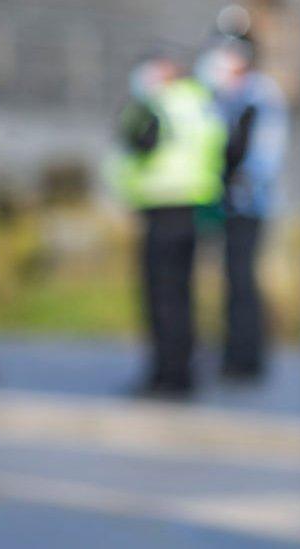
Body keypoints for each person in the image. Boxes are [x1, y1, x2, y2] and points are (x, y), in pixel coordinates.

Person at [112, 51, 227, 398]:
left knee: (161, 298)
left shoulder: (160, 102)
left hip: (162, 207)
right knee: (181, 295)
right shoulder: (202, 103)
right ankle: (183, 371)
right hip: (193, 207)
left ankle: (165, 375)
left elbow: (140, 141)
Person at [197, 12, 288, 382]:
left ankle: (246, 358)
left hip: (250, 202)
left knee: (243, 278)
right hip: (226, 201)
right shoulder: (222, 94)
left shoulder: (260, 93)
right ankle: (233, 353)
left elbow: (264, 154)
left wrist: (241, 182)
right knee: (231, 278)